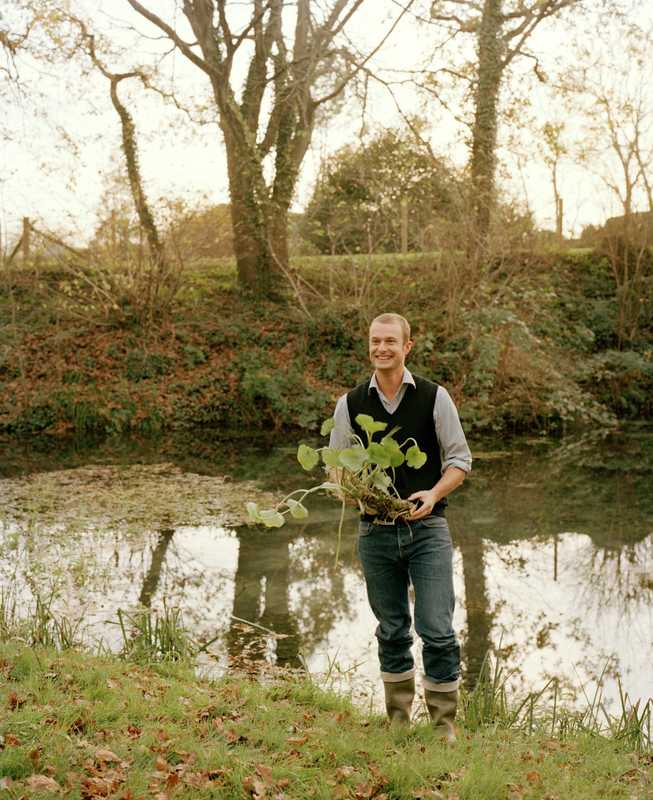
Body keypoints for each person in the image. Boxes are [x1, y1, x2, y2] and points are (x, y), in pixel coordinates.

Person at [329, 312, 471, 740]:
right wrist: (352, 490)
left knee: (438, 629)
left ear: (407, 346)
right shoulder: (351, 404)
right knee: (391, 629)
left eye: (391, 341)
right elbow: (337, 468)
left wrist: (433, 494)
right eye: (375, 341)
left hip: (427, 531)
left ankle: (443, 725)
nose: (381, 348)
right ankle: (398, 721)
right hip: (374, 532)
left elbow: (459, 461)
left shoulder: (433, 397)